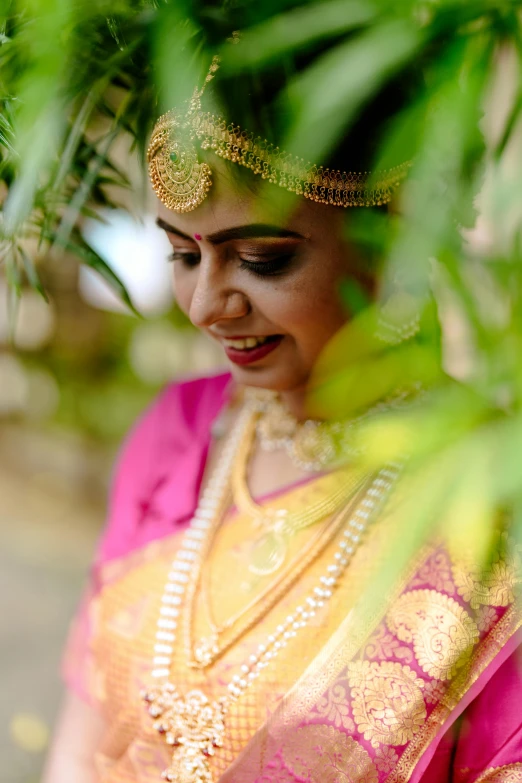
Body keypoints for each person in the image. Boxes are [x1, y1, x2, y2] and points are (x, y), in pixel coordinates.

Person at [43, 36, 522, 783]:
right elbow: (79, 745)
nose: (206, 306)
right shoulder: (176, 434)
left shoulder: (491, 503)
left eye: (261, 258)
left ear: (394, 230)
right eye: (184, 254)